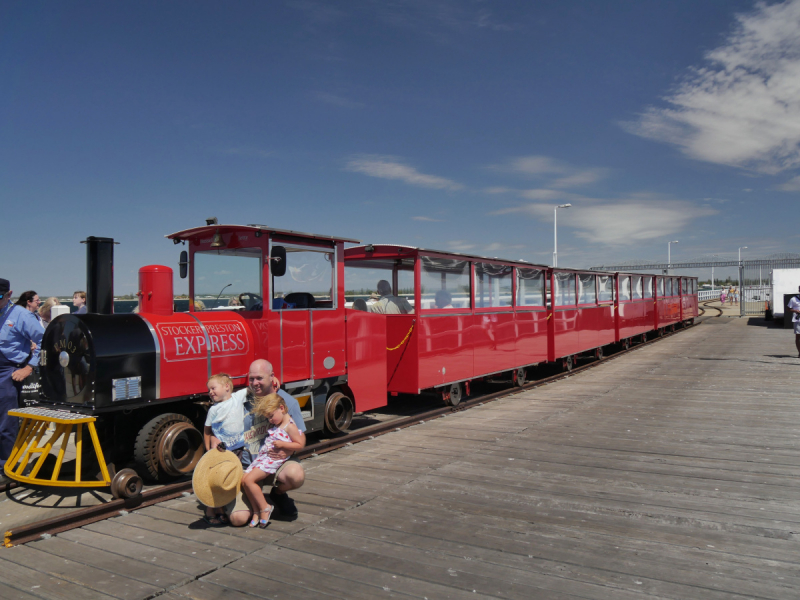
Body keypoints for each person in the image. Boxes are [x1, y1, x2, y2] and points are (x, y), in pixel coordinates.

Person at [225, 359, 306, 526]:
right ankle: (255, 505)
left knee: (295, 475)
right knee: (238, 519)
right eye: (252, 379)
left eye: (260, 378)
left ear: (272, 377)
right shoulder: (240, 401)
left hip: (275, 463)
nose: (255, 383)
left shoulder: (287, 402)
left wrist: (288, 450)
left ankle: (278, 494)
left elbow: (300, 438)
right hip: (248, 466)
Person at [0, 279, 43, 483]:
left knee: (6, 421)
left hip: (9, 370)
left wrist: (28, 367)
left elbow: (45, 340)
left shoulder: (22, 315)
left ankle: (7, 467)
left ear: (9, 295)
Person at [241, 393, 304, 528]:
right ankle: (257, 511)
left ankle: (265, 507)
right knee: (244, 480)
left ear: (281, 408)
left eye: (271, 416)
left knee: (249, 480)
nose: (270, 420)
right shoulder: (280, 423)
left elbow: (299, 444)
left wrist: (283, 445)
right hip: (264, 457)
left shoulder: (290, 426)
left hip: (271, 460)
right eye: (267, 417)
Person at [201, 373, 242, 525]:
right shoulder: (213, 410)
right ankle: (211, 509)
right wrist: (207, 449)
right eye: (209, 390)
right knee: (218, 479)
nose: (210, 392)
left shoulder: (238, 398)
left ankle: (221, 508)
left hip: (239, 449)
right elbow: (207, 430)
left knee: (230, 479)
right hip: (222, 451)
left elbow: (253, 388)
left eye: (213, 388)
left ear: (226, 387)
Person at [788, 285, 800, 358]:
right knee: (798, 337)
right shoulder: (794, 299)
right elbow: (788, 308)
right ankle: (799, 352)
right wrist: (796, 310)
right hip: (798, 320)